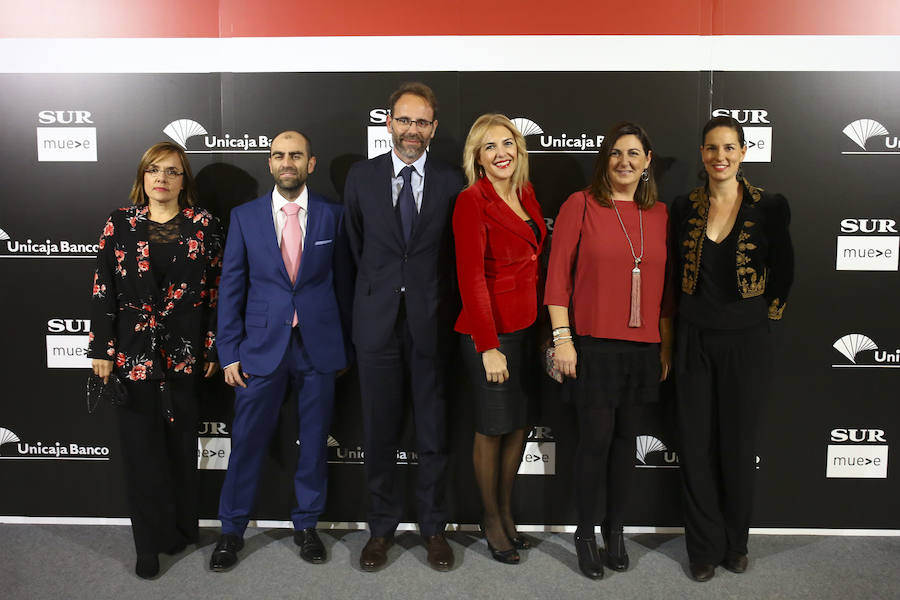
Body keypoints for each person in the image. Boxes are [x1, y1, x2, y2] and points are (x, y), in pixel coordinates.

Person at [210, 131, 351, 571]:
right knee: (246, 443)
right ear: (269, 164)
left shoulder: (334, 215)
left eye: (296, 155)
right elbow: (230, 287)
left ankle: (307, 524)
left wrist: (342, 348)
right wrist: (228, 351)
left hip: (318, 349)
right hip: (258, 349)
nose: (286, 162)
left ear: (311, 163)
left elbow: (344, 286)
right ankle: (231, 530)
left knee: (312, 443)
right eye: (278, 155)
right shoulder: (245, 217)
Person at [344, 82, 465, 572]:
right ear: (389, 123)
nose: (412, 129)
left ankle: (435, 529)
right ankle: (380, 529)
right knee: (378, 432)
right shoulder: (360, 177)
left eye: (422, 122)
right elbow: (355, 250)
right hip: (376, 328)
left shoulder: (453, 181)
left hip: (432, 325)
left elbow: (455, 260)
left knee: (434, 431)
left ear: (433, 128)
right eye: (404, 119)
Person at [545, 122, 674, 580]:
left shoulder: (658, 213)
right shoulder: (580, 204)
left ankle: (614, 530)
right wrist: (563, 340)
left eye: (634, 153)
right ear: (605, 159)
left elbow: (666, 292)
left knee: (625, 445)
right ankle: (584, 533)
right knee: (595, 442)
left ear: (647, 161)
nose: (625, 161)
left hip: (642, 348)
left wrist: (665, 346)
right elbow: (557, 277)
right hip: (593, 345)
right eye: (617, 153)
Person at [88, 142, 223, 579]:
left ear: (185, 180)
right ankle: (147, 544)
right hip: (132, 357)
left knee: (181, 449)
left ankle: (182, 531)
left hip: (185, 356)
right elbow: (103, 286)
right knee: (141, 453)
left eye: (171, 171)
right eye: (153, 170)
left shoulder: (204, 226)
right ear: (142, 177)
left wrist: (211, 346)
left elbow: (216, 292)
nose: (161, 178)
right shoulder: (120, 223)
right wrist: (102, 349)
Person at [670, 116, 793, 582]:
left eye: (728, 147)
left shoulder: (770, 206)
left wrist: (762, 319)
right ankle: (702, 548)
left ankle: (736, 543)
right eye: (710, 148)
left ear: (742, 152)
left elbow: (785, 271)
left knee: (738, 447)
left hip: (746, 342)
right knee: (696, 445)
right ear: (702, 154)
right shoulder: (685, 207)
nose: (719, 156)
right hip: (693, 339)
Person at [452, 114, 546, 564]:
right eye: (489, 147)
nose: (500, 153)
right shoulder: (471, 201)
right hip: (489, 334)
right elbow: (471, 279)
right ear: (478, 157)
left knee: (517, 426)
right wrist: (489, 346)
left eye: (506, 143)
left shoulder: (525, 192)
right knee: (491, 429)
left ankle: (506, 511)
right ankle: (489, 520)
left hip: (526, 328)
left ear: (519, 149)